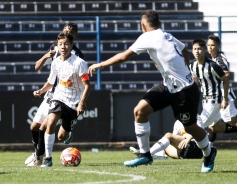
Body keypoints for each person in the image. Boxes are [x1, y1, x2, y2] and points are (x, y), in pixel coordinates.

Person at [88, 9, 216, 172]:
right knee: (139, 111)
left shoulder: (148, 36)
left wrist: (100, 65)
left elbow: (123, 57)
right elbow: (184, 50)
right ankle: (145, 154)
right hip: (168, 86)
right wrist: (181, 67)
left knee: (191, 128)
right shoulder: (167, 35)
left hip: (185, 90)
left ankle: (209, 153)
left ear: (143, 25)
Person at [25, 23, 85, 166]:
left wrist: (79, 100)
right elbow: (37, 67)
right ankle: (38, 154)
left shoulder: (77, 56)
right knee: (34, 126)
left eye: (70, 31)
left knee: (46, 127)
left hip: (65, 97)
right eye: (65, 30)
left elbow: (81, 82)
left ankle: (40, 157)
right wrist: (47, 55)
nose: (67, 32)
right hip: (51, 94)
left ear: (74, 37)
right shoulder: (55, 49)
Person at [189, 39, 237, 143]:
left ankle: (200, 150)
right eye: (194, 49)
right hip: (205, 101)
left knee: (197, 127)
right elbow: (195, 84)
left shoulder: (213, 65)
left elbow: (226, 81)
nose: (196, 51)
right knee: (216, 127)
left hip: (215, 101)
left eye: (199, 49)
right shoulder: (193, 66)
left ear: (204, 50)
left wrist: (225, 99)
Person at [130, 118, 204, 160]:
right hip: (184, 154)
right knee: (165, 143)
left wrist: (188, 138)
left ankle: (146, 154)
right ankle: (157, 155)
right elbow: (173, 141)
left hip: (197, 149)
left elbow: (201, 134)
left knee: (168, 136)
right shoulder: (177, 123)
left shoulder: (196, 117)